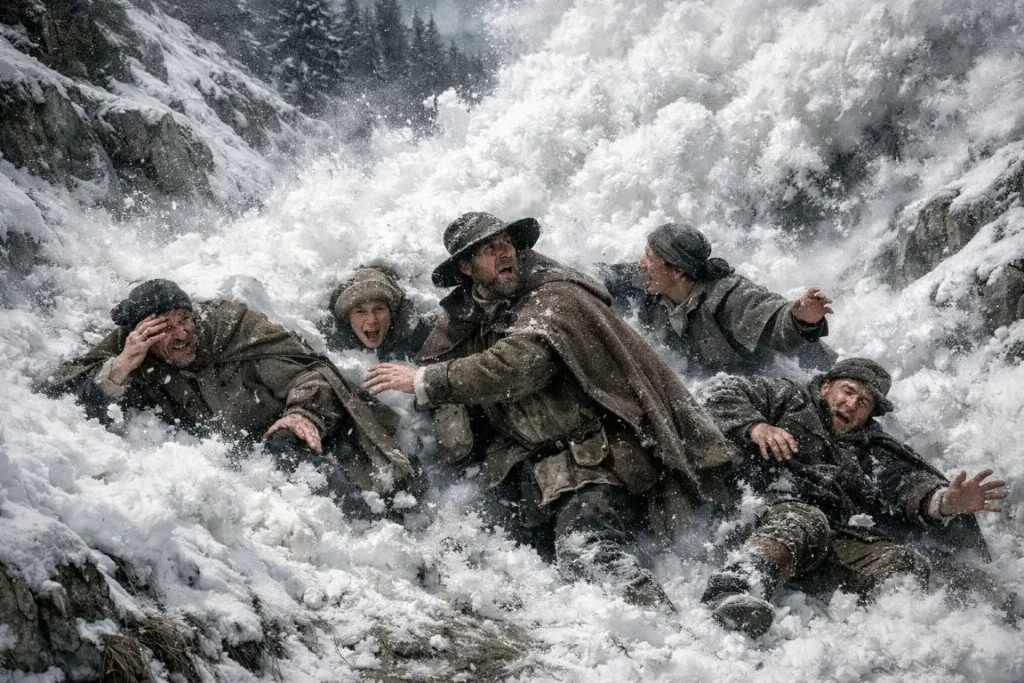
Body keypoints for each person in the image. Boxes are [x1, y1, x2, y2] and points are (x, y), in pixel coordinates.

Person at [364, 212, 737, 612]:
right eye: (489, 250)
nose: (504, 254)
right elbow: (437, 350)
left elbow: (519, 366)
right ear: (466, 267)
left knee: (587, 549)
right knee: (475, 551)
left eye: (506, 243)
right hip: (535, 477)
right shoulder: (475, 315)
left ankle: (660, 629)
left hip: (602, 463)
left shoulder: (554, 296)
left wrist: (424, 380)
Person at [42, 279, 418, 515]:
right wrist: (121, 367)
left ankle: (362, 523)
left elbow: (312, 373)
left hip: (306, 433)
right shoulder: (131, 353)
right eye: (165, 327)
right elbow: (61, 403)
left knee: (293, 450)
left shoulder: (234, 328)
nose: (182, 333)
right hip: (239, 466)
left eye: (184, 319)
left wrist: (303, 414)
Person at [698, 357, 1006, 637]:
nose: (851, 404)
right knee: (806, 520)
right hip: (760, 513)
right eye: (847, 391)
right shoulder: (788, 399)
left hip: (826, 538)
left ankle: (875, 638)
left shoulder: (874, 449)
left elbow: (909, 485)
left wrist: (947, 502)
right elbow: (720, 392)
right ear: (826, 387)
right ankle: (732, 590)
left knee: (904, 563)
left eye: (864, 402)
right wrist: (757, 427)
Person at [600, 223, 837, 375]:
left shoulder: (729, 297)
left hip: (810, 371)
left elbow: (774, 318)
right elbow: (598, 276)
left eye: (649, 257)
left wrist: (800, 318)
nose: (641, 264)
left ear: (678, 271)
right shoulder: (648, 280)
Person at [325, 266, 432, 362]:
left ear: (391, 313)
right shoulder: (329, 349)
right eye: (361, 311)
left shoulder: (423, 339)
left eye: (379, 309)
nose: (372, 320)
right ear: (348, 318)